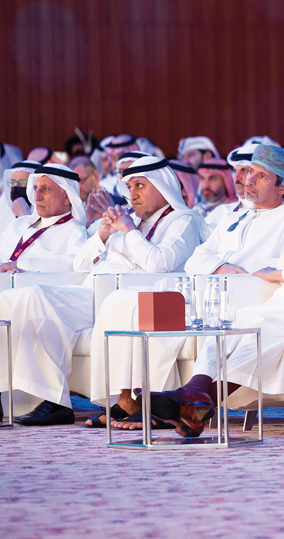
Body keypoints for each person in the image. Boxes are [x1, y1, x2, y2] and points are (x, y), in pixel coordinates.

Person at [136, 145, 284, 437]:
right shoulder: (232, 217)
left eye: (262, 176)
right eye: (250, 172)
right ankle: (191, 401)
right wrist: (223, 266)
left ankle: (190, 396)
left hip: (255, 297)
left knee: (226, 326)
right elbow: (196, 259)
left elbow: (282, 266)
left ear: (283, 187)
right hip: (216, 294)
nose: (249, 180)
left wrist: (238, 274)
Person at [81, 157, 208, 430]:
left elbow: (159, 264)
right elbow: (79, 265)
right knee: (118, 299)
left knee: (123, 299)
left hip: (174, 300)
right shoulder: (133, 222)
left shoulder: (184, 219)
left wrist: (128, 230)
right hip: (137, 299)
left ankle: (153, 404)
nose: (132, 194)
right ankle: (126, 400)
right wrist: (104, 233)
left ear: (164, 188)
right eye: (129, 187)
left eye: (140, 185)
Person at [0, 164, 89, 425]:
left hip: (54, 297)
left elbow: (73, 267)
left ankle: (54, 401)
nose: (36, 196)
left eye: (45, 189)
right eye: (35, 189)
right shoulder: (19, 225)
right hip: (7, 288)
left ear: (67, 196)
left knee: (23, 298)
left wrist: (25, 268)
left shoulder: (75, 232)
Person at [205, 144, 256, 227]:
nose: (236, 177)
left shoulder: (278, 213)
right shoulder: (222, 212)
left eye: (244, 170)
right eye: (235, 171)